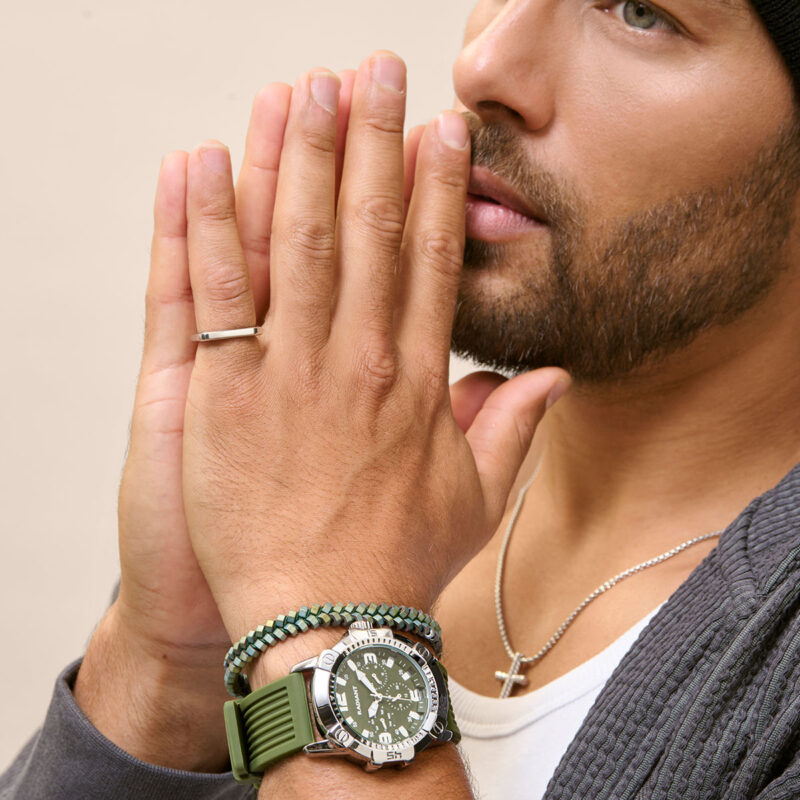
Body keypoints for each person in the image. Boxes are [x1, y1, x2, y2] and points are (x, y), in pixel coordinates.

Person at [3, 1, 800, 798]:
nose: (484, 66)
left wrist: (328, 612)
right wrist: (167, 668)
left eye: (641, 11)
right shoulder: (340, 475)